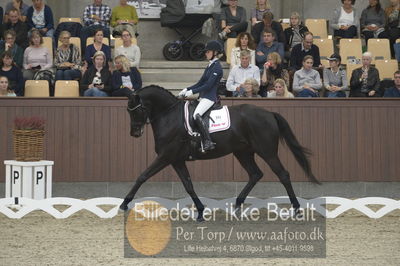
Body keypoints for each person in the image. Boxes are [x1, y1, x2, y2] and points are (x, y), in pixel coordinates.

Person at [178, 40, 223, 152]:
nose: (206, 53)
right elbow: (200, 83)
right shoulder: (209, 66)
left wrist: (192, 92)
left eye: (208, 51)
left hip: (210, 97)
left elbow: (208, 86)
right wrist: (187, 89)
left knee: (196, 115)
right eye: (206, 52)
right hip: (203, 97)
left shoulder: (217, 67)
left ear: (215, 52)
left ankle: (208, 141)